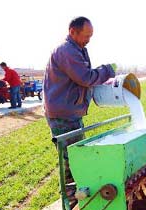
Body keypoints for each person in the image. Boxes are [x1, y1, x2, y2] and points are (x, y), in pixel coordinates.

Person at [43, 16, 115, 196]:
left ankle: (75, 194)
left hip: (70, 111)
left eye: (90, 36)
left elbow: (84, 76)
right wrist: (107, 70)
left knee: (76, 155)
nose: (88, 40)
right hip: (63, 114)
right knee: (71, 158)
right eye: (86, 36)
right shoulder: (67, 51)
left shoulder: (77, 49)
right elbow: (85, 77)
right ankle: (71, 199)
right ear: (72, 31)